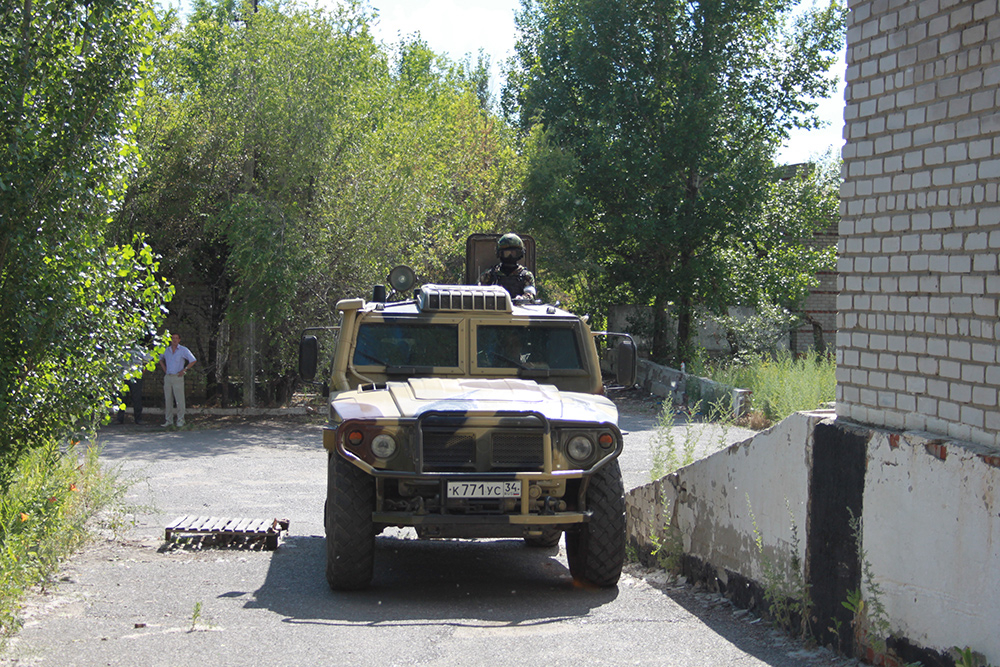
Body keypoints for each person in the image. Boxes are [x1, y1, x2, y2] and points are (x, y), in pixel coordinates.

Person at [478, 233, 537, 299]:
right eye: (507, 253)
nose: (510, 256)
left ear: (520, 254)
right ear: (500, 254)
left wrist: (522, 298)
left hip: (519, 308)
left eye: (513, 253)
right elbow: (477, 292)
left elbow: (530, 294)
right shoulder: (489, 275)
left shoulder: (526, 276)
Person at [159, 333, 196, 428]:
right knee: (168, 399)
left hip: (177, 377)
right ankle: (169, 420)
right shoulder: (166, 350)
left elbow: (193, 360)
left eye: (176, 338)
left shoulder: (183, 350)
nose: (174, 340)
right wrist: (165, 369)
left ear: (179, 340)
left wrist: (184, 370)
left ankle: (180, 420)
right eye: (173, 338)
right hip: (168, 376)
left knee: (179, 400)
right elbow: (159, 359)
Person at [117, 345, 151, 425]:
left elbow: (148, 360)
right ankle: (119, 419)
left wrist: (142, 372)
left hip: (136, 377)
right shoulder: (120, 348)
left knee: (137, 398)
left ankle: (138, 419)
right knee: (122, 398)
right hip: (123, 377)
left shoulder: (140, 349)